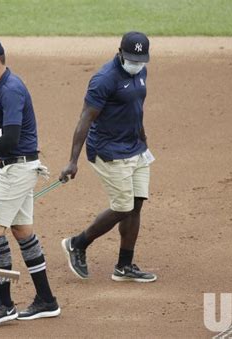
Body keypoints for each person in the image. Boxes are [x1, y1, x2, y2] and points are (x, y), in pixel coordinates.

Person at [0, 37, 60, 325]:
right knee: (22, 231)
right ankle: (46, 300)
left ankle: (4, 304)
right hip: (20, 168)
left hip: (16, 169)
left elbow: (12, 138)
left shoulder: (12, 89)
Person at [59, 32, 157, 283]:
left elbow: (135, 109)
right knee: (122, 207)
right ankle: (77, 244)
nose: (137, 63)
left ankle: (124, 266)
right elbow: (85, 118)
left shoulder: (141, 72)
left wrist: (142, 138)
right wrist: (73, 160)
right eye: (132, 58)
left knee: (135, 206)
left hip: (135, 147)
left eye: (141, 58)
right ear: (120, 52)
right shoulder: (105, 79)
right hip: (108, 150)